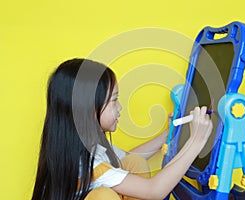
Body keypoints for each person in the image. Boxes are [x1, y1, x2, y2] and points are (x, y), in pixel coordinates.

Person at [32, 58, 213, 200]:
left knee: (134, 162)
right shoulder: (88, 165)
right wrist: (196, 141)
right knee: (104, 196)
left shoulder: (88, 146)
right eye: (113, 100)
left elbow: (127, 158)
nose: (120, 108)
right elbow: (154, 190)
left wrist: (168, 135)